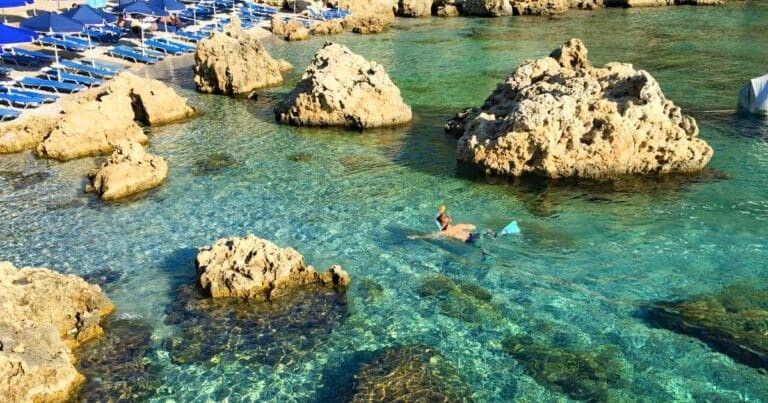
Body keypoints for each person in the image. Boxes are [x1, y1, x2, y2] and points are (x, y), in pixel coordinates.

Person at [410, 204, 482, 244]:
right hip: (470, 241)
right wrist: (417, 237)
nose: (448, 216)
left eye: (447, 216)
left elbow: (476, 228)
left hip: (474, 237)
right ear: (442, 222)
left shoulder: (459, 226)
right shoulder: (444, 232)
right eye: (445, 217)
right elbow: (431, 236)